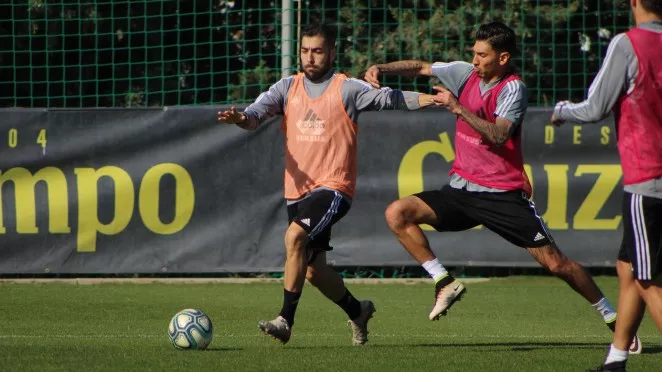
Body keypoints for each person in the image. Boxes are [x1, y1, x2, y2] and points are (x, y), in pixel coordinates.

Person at [363, 21, 640, 351]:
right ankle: (444, 281)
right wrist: (380, 67)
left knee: (556, 264)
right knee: (398, 213)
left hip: (502, 195)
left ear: (503, 57)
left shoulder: (513, 89)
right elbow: (422, 67)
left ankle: (612, 316)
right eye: (474, 53)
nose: (475, 60)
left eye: (482, 55)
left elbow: (499, 134)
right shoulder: (465, 73)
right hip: (461, 191)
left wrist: (457, 108)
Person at [217, 23, 437, 345]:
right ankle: (357, 310)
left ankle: (285, 320)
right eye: (305, 50)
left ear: (332, 52)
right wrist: (241, 120)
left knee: (295, 238)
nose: (310, 57)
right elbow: (255, 114)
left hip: (333, 187)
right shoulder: (287, 87)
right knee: (313, 270)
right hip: (298, 192)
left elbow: (390, 99)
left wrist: (434, 100)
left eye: (318, 51)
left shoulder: (346, 88)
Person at [551, 1, 662, 370]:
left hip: (649, 179)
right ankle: (616, 360)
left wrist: (561, 110)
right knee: (628, 266)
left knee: (648, 281)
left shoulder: (628, 43)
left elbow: (596, 107)